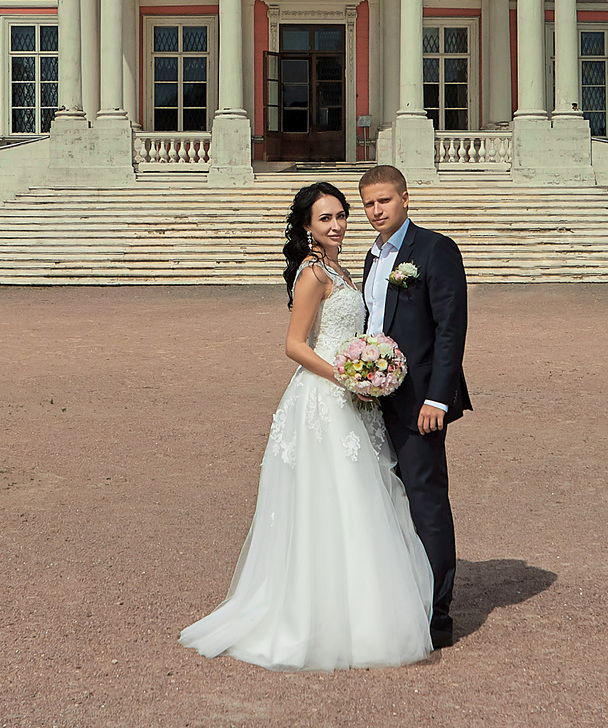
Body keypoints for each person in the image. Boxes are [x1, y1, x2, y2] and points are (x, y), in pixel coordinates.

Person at [180, 181, 435, 670]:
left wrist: (369, 370)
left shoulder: (342, 268)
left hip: (353, 398)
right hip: (324, 398)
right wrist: (347, 376)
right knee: (331, 499)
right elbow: (295, 344)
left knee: (360, 498)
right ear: (307, 227)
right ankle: (317, 615)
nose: (337, 225)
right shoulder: (313, 273)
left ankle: (361, 611)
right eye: (325, 219)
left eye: (341, 215)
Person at [355, 164, 472, 650]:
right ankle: (402, 597)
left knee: (426, 500)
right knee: (388, 500)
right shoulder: (372, 256)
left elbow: (450, 330)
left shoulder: (435, 249)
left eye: (384, 200)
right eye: (368, 204)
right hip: (376, 398)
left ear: (405, 198)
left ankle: (438, 613)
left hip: (422, 399)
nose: (375, 211)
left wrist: (437, 398)